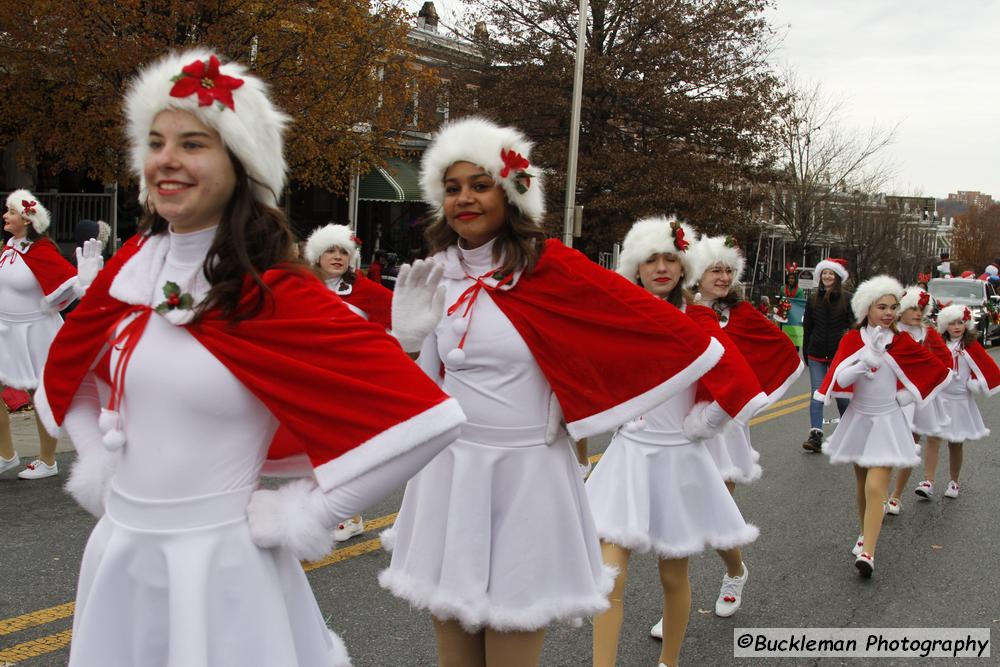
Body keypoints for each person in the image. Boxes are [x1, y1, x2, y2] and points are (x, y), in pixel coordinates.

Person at [33, 50, 465, 666]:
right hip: (120, 554)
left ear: (241, 164)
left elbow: (431, 421)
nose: (168, 159)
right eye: (156, 141)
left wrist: (307, 512)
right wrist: (96, 458)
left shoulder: (275, 291)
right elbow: (72, 369)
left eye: (194, 143)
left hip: (222, 568)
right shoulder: (131, 267)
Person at [378, 118, 724, 667]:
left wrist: (584, 404)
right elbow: (419, 400)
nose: (464, 197)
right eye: (451, 187)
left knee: (511, 647)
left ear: (512, 192)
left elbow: (666, 335)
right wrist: (410, 343)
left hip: (527, 474)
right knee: (455, 656)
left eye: (479, 183)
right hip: (452, 472)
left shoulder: (552, 269)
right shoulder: (438, 275)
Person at [586, 219, 764, 667]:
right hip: (628, 456)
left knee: (673, 574)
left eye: (670, 259)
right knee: (609, 577)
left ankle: (670, 661)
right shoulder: (618, 315)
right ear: (636, 266)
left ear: (683, 265)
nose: (661, 267)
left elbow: (739, 385)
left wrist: (701, 423)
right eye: (652, 259)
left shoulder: (697, 320)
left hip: (678, 457)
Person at [684, 235, 803, 615]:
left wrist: (746, 403)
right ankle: (675, 607)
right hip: (683, 424)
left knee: (714, 512)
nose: (722, 277)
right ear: (697, 274)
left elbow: (781, 351)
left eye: (728, 271)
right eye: (715, 269)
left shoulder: (742, 315)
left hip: (724, 425)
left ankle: (735, 572)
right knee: (681, 518)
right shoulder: (679, 312)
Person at [815, 276, 950, 577]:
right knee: (862, 484)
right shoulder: (852, 340)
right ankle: (865, 532)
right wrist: (864, 362)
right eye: (882, 307)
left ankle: (868, 553)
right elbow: (840, 378)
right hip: (859, 420)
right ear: (867, 309)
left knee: (877, 485)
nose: (889, 313)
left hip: (889, 421)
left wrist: (905, 395)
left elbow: (935, 369)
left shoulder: (901, 341)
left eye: (893, 307)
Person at [0, 192, 102, 479]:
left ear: (27, 219)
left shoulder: (41, 252)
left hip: (35, 334)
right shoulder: (9, 249)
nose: (5, 216)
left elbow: (73, 286)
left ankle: (47, 461)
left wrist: (87, 281)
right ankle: (6, 455)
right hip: (6, 332)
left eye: (11, 212)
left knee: (41, 396)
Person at [304, 223, 393, 541]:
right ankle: (322, 513)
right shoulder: (301, 287)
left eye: (344, 251)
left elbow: (397, 316)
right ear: (316, 255)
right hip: (310, 383)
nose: (338, 256)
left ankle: (349, 517)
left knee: (343, 454)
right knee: (313, 455)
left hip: (349, 384)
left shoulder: (365, 290)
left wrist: (372, 349)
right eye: (330, 250)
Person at [914, 305, 1000, 500]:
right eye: (952, 323)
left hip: (960, 399)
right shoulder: (937, 343)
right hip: (939, 397)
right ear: (944, 325)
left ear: (966, 324)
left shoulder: (970, 346)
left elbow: (985, 367)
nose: (956, 327)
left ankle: (954, 482)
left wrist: (974, 382)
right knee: (933, 437)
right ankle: (928, 481)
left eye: (960, 322)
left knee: (955, 442)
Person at [888, 286, 951, 514]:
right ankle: (879, 492)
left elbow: (946, 362)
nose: (918, 312)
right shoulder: (891, 332)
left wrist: (932, 381)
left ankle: (896, 496)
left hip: (921, 397)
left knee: (912, 442)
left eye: (921, 308)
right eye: (913, 308)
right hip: (893, 397)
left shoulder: (928, 333)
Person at [801, 258, 854, 452]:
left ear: (837, 276)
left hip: (839, 356)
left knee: (841, 396)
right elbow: (807, 327)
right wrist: (805, 351)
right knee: (817, 394)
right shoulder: (812, 298)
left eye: (831, 273)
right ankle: (815, 435)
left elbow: (854, 327)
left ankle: (848, 432)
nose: (827, 276)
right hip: (816, 353)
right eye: (824, 273)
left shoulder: (847, 299)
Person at [780, 263, 806, 348]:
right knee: (784, 334)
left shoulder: (800, 291)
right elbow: (780, 300)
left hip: (795, 317)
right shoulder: (782, 288)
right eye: (789, 278)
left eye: (793, 278)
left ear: (796, 279)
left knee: (794, 336)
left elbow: (800, 304)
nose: (791, 280)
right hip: (784, 315)